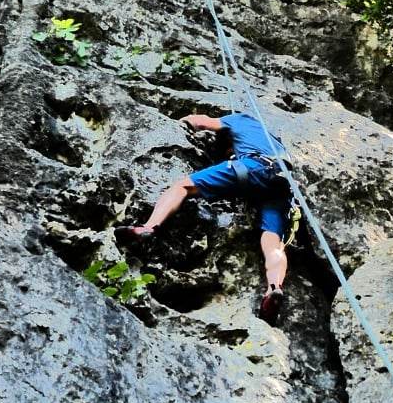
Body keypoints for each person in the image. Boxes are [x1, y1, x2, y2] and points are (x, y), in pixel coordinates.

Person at [120, 111, 294, 325]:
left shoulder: (238, 120)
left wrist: (182, 122)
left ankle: (149, 226)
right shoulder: (274, 141)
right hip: (282, 182)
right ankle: (274, 288)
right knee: (272, 240)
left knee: (182, 186)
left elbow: (201, 121)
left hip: (251, 167)